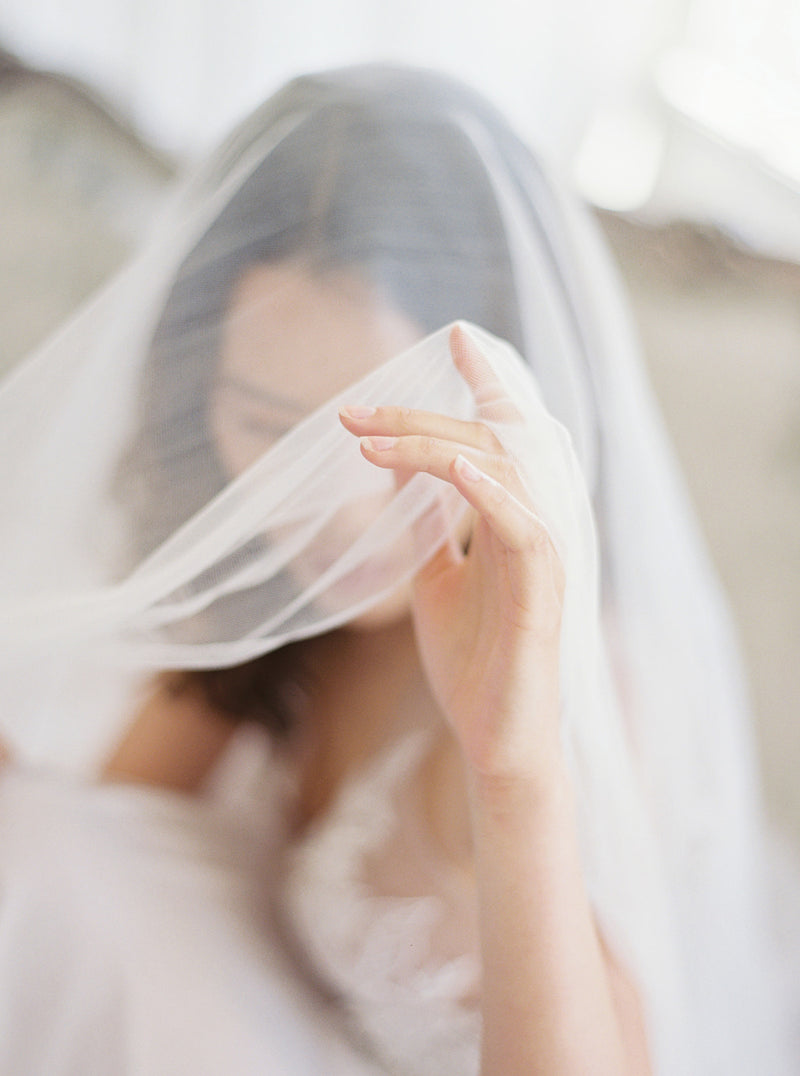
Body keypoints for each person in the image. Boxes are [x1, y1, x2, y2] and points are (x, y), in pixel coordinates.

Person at [0, 65, 796, 1075]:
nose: (327, 512)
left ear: (507, 402)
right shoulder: (276, 578)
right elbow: (116, 831)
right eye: (263, 423)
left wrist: (513, 764)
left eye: (383, 437)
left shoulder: (598, 685)